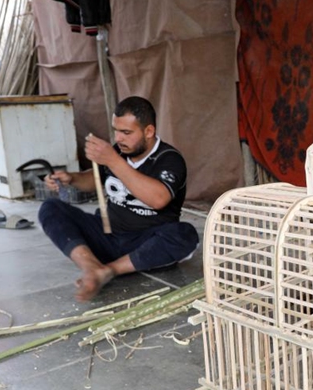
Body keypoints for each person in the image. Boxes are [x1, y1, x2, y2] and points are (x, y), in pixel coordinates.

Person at [39, 96, 199, 302]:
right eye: (116, 130)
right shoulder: (118, 152)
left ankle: (110, 270)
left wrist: (113, 161)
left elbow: (158, 199)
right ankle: (91, 267)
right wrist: (71, 178)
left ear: (148, 131)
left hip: (146, 244)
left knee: (184, 234)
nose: (119, 139)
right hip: (108, 235)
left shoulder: (169, 159)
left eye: (126, 132)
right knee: (51, 208)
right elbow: (95, 179)